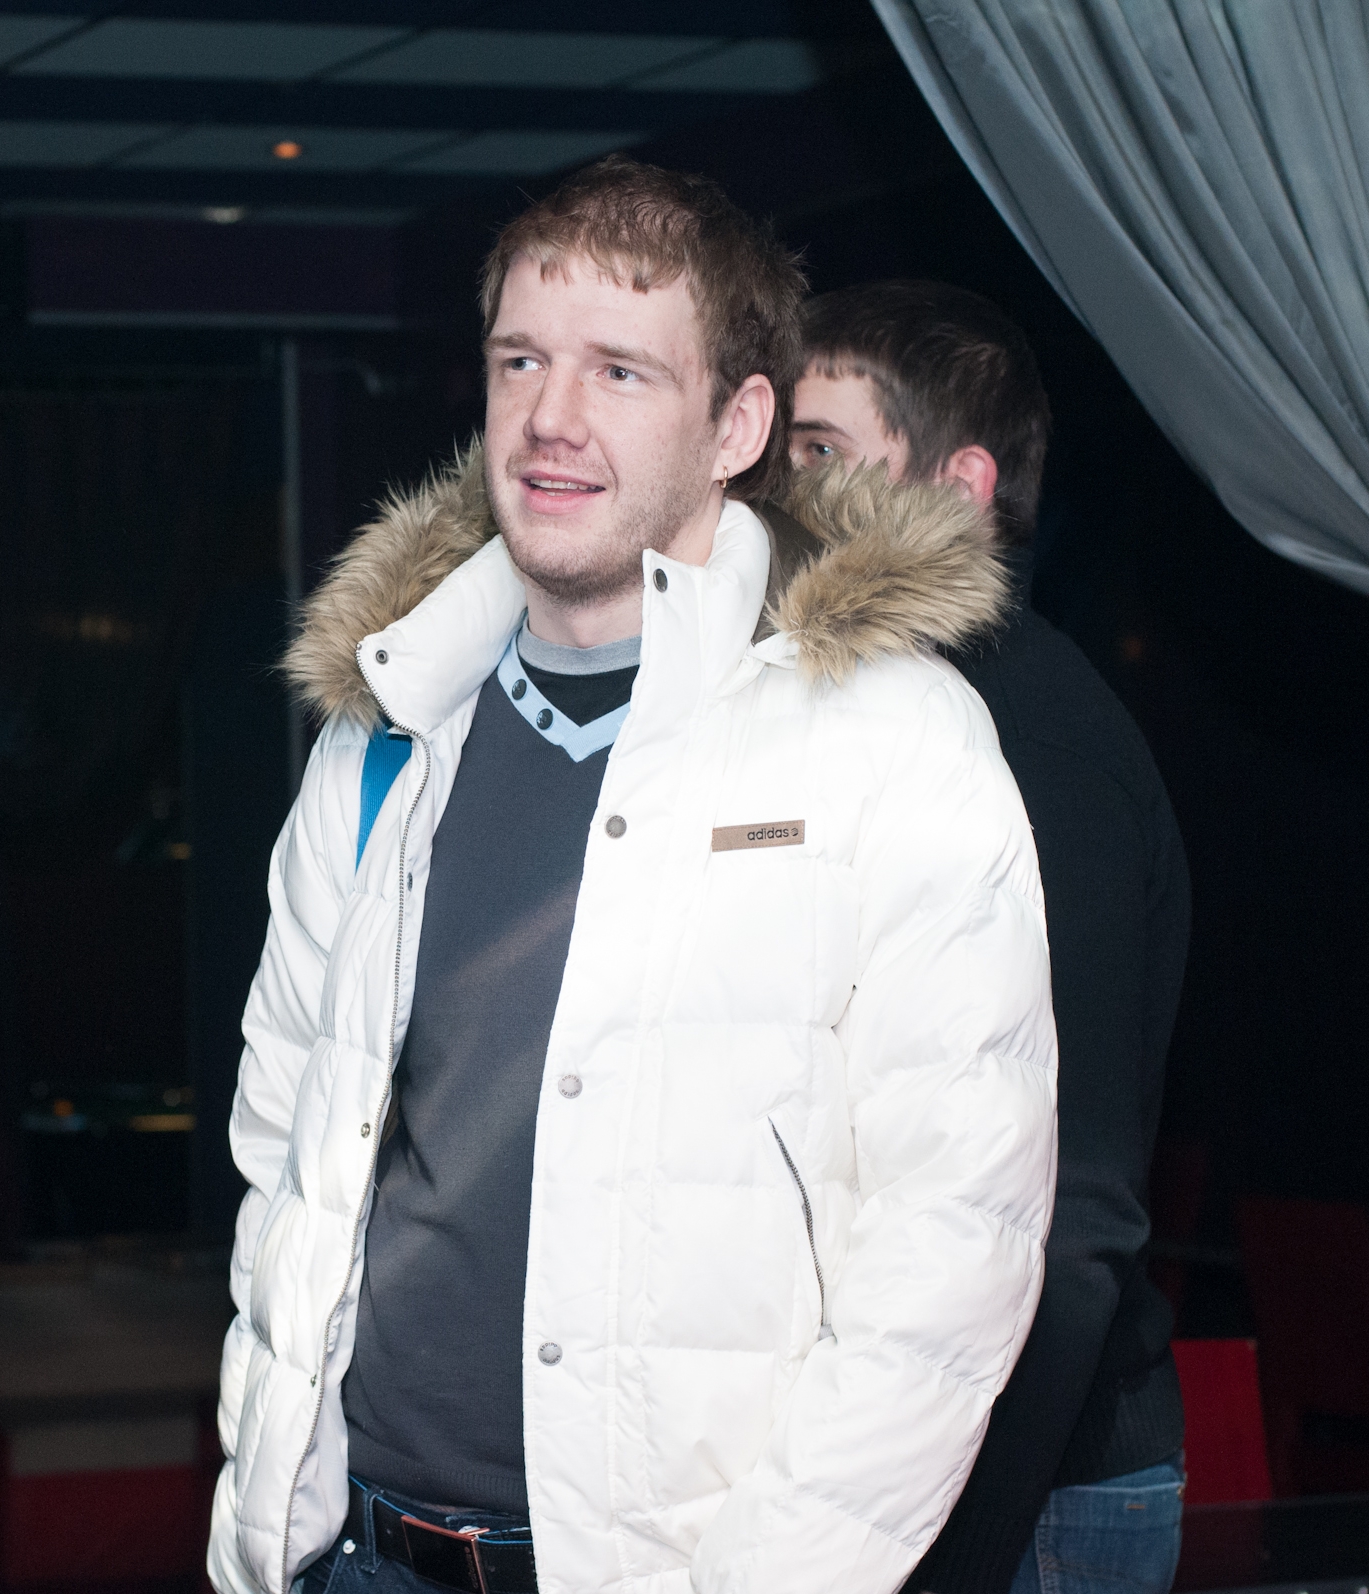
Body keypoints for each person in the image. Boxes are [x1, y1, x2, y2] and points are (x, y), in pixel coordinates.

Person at [207, 156, 1059, 1594]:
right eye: (521, 360)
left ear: (738, 426)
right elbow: (283, 1152)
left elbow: (953, 1249)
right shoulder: (387, 731)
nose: (551, 416)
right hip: (360, 1556)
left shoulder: (891, 741)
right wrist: (264, 1517)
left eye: (619, 371)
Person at [791, 280, 1191, 1594]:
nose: (774, 488)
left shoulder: (1039, 741)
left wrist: (947, 1554)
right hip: (894, 1478)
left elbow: (1074, 1217)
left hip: (1033, 1500)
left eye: (821, 450)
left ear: (960, 484)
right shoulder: (870, 710)